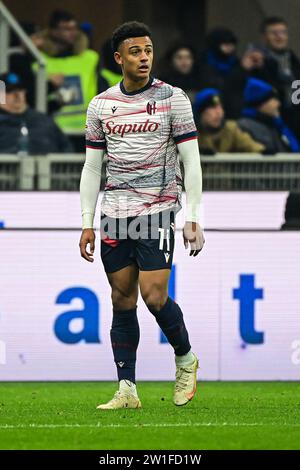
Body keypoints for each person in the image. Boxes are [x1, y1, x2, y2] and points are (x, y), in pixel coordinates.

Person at [79, 21, 204, 410]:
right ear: (119, 58)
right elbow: (92, 168)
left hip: (157, 210)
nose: (144, 57)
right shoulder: (101, 105)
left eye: (148, 50)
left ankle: (185, 358)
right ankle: (127, 389)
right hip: (115, 212)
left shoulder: (172, 98)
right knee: (122, 299)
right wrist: (87, 220)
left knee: (153, 295)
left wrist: (193, 215)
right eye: (135, 51)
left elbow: (192, 160)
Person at [35, 10, 99, 134]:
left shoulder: (90, 57)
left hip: (86, 129)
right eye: (66, 29)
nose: (72, 33)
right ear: (53, 31)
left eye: (74, 28)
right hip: (52, 129)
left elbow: (102, 89)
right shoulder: (39, 60)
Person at [0, 72, 72, 154]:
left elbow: (66, 149)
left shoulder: (44, 121)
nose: (17, 95)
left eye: (20, 90)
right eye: (9, 91)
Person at [238, 78, 300, 154]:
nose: (278, 104)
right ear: (262, 103)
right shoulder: (245, 126)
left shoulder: (274, 123)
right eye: (274, 100)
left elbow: (293, 148)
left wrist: (279, 123)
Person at [193, 88, 264, 154]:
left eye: (220, 107)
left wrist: (263, 151)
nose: (219, 112)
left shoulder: (231, 129)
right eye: (213, 108)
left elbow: (251, 146)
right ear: (201, 113)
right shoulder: (192, 134)